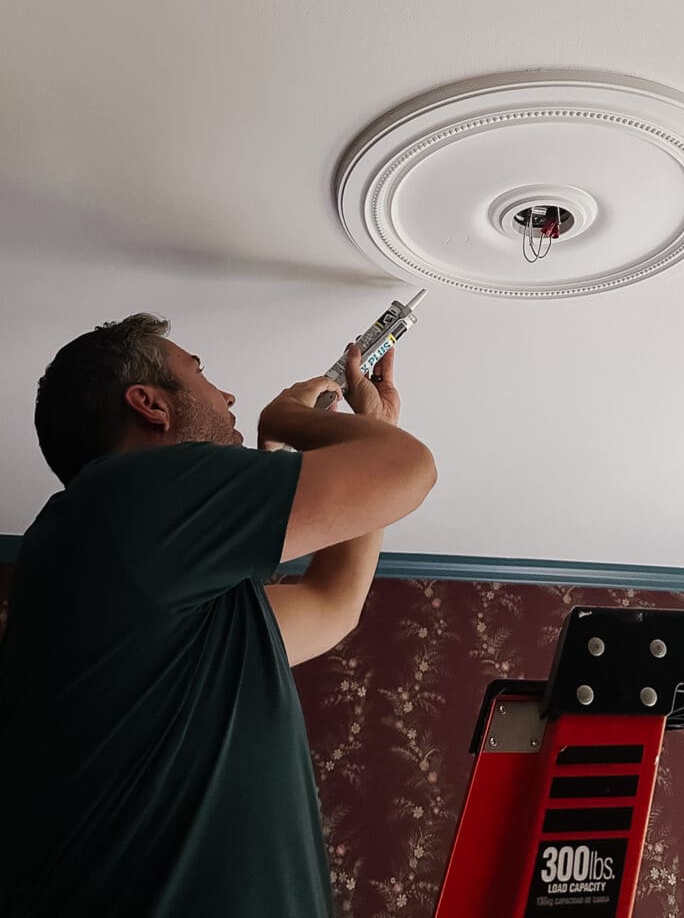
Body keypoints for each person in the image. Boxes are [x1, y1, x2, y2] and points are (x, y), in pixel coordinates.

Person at [0, 312, 437, 917]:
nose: (227, 394)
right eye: (200, 373)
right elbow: (406, 472)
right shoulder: (121, 502)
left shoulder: (145, 580)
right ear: (149, 404)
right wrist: (290, 420)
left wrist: (362, 431)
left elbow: (329, 604)